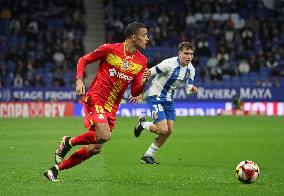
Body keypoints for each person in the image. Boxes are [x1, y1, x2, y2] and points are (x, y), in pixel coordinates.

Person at [44, 22, 150, 181]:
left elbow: (135, 92)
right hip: (97, 97)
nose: (147, 39)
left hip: (113, 106)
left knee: (96, 148)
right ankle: (68, 142)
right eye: (145, 35)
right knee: (104, 135)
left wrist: (144, 81)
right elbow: (83, 60)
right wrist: (79, 80)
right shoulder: (110, 49)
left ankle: (55, 170)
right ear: (134, 37)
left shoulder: (142, 61)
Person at [131, 42, 198, 164]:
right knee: (162, 129)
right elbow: (147, 73)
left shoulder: (191, 69)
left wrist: (191, 90)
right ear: (179, 53)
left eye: (191, 54)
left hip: (169, 100)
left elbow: (188, 90)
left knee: (169, 130)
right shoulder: (168, 64)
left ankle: (147, 156)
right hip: (155, 96)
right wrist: (138, 91)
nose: (189, 57)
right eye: (186, 53)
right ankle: (142, 124)